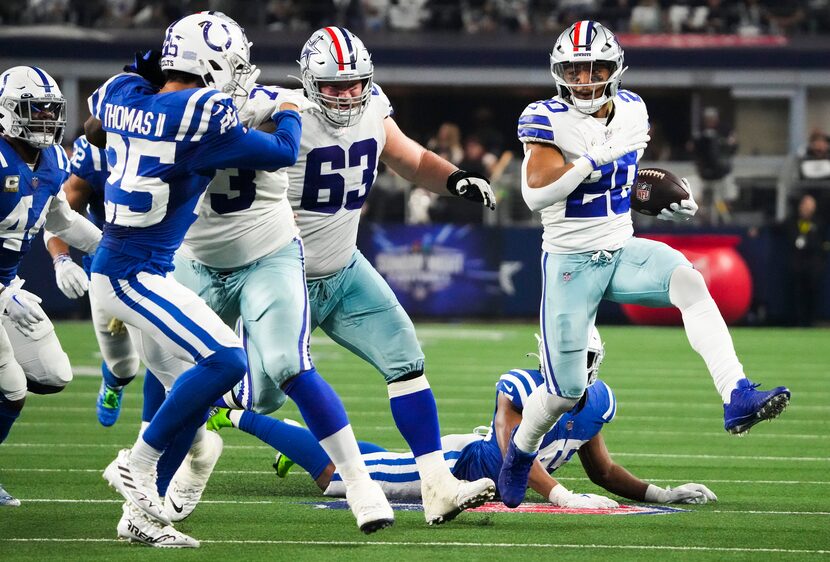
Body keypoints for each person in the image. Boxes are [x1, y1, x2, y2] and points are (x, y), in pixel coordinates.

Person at [211, 26, 498, 527]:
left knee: (405, 355)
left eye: (354, 83)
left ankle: (437, 485)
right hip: (285, 275)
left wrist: (457, 179)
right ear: (307, 81)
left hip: (344, 267)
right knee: (264, 394)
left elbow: (409, 158)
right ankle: (223, 395)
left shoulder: (372, 108)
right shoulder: (283, 114)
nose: (346, 95)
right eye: (333, 86)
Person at [499, 20, 790, 509]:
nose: (585, 79)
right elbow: (536, 192)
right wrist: (596, 158)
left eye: (595, 68)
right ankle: (519, 455)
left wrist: (667, 201)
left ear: (615, 70)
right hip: (570, 261)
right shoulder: (544, 117)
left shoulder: (633, 109)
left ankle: (735, 394)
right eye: (575, 69)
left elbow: (627, 182)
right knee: (565, 391)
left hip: (621, 247)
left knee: (690, 283)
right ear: (559, 72)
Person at [83, 12, 304, 547]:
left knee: (193, 393)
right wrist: (290, 108)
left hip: (129, 268)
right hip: (132, 274)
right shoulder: (204, 116)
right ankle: (137, 462)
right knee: (228, 359)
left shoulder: (122, 94)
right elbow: (283, 151)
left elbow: (112, 107)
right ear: (213, 65)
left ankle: (139, 520)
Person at [207, 328, 718, 508]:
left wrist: (660, 492)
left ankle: (285, 441)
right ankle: (234, 415)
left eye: (581, 360)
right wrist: (560, 495)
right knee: (340, 478)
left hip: (481, 476)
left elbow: (603, 472)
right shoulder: (519, 386)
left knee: (365, 460)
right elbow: (503, 453)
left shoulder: (598, 402)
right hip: (457, 466)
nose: (572, 370)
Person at [0, 66, 101, 506]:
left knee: (53, 374)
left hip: (9, 288)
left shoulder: (55, 159)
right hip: (5, 293)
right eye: (33, 109)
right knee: (12, 390)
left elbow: (61, 219)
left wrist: (114, 251)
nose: (43, 118)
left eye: (49, 109)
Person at [43, 133, 147, 427]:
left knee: (166, 354)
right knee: (123, 365)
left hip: (168, 261)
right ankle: (114, 383)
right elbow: (59, 216)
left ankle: (154, 443)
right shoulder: (96, 152)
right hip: (108, 264)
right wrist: (61, 260)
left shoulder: (180, 135)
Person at [687, 106, 738, 225]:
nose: (709, 121)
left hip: (721, 175)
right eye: (707, 119)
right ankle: (701, 218)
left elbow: (732, 147)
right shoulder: (699, 134)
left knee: (721, 200)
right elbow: (692, 149)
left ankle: (726, 220)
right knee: (695, 194)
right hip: (702, 174)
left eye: (712, 119)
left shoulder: (724, 132)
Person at [786, 194, 829, 326]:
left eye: (809, 205)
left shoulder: (820, 223)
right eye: (804, 204)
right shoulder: (793, 221)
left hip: (813, 265)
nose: (806, 208)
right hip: (798, 264)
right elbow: (777, 226)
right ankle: (799, 321)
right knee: (797, 294)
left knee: (812, 293)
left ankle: (811, 321)